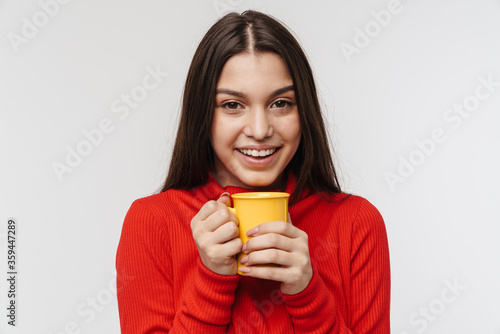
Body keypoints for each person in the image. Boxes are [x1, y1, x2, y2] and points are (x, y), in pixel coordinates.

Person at [116, 10, 390, 333]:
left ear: (305, 111)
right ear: (203, 114)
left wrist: (307, 293)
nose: (260, 130)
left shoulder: (357, 223)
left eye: (281, 103)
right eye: (233, 105)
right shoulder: (152, 223)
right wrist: (211, 280)